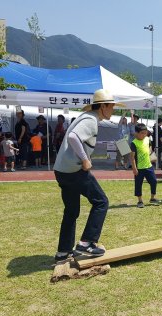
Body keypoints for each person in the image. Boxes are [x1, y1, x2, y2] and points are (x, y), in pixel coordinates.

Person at [53, 89, 120, 261]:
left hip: (61, 171)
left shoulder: (85, 117)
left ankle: (63, 251)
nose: (113, 109)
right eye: (111, 106)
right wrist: (85, 159)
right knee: (101, 202)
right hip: (74, 171)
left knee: (71, 210)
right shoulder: (91, 120)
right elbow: (74, 137)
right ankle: (86, 243)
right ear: (103, 107)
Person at [130, 123, 161, 208]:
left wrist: (151, 155)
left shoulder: (147, 139)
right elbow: (132, 157)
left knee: (154, 181)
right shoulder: (134, 143)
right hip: (139, 168)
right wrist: (134, 169)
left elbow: (150, 148)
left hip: (149, 166)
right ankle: (140, 201)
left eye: (145, 133)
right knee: (138, 184)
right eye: (142, 133)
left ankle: (153, 198)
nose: (144, 135)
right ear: (137, 133)